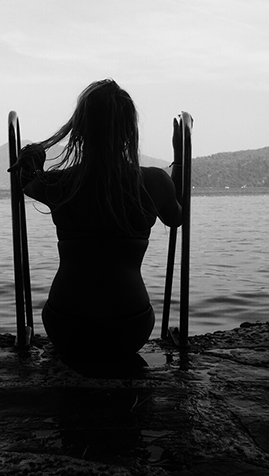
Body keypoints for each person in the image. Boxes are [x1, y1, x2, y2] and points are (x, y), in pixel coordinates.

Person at [16, 79, 183, 371]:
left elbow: (26, 182)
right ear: (129, 132)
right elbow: (176, 217)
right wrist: (180, 160)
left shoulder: (61, 184)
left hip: (66, 325)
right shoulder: (155, 182)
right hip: (129, 328)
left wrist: (31, 158)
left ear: (79, 131)